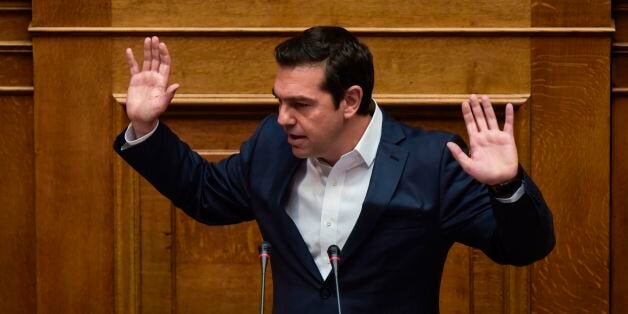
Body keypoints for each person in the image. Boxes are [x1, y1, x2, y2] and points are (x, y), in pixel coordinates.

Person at [114, 26, 554, 313]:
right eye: (279, 100)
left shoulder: (432, 162)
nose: (283, 117)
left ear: (350, 100)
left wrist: (507, 186)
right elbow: (206, 195)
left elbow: (522, 248)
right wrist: (144, 125)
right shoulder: (273, 144)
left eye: (301, 105)